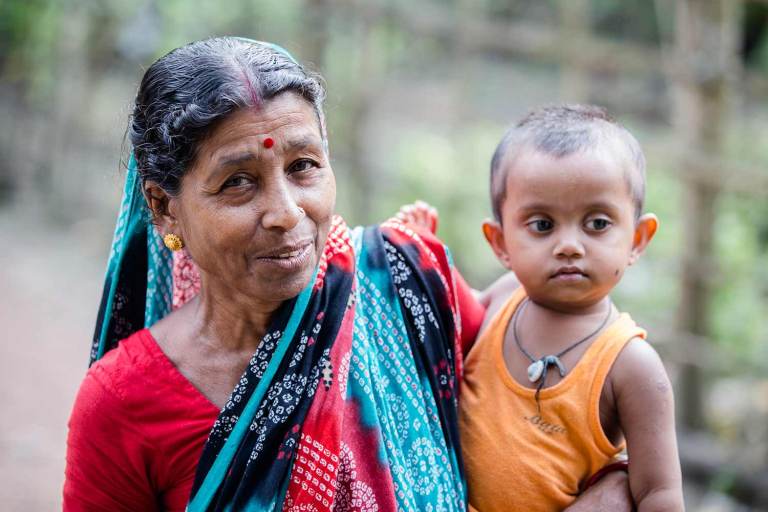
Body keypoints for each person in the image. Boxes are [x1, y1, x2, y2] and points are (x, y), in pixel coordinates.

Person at [64, 38, 633, 511]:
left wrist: (619, 480)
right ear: (165, 207)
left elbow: (554, 404)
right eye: (238, 181)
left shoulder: (406, 284)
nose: (286, 212)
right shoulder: (123, 403)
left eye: (303, 166)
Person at [458, 105, 684, 511]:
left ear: (637, 239)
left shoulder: (630, 365)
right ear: (500, 243)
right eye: (542, 225)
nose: (569, 245)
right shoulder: (502, 298)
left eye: (597, 223)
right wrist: (414, 244)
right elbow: (437, 322)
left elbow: (659, 494)